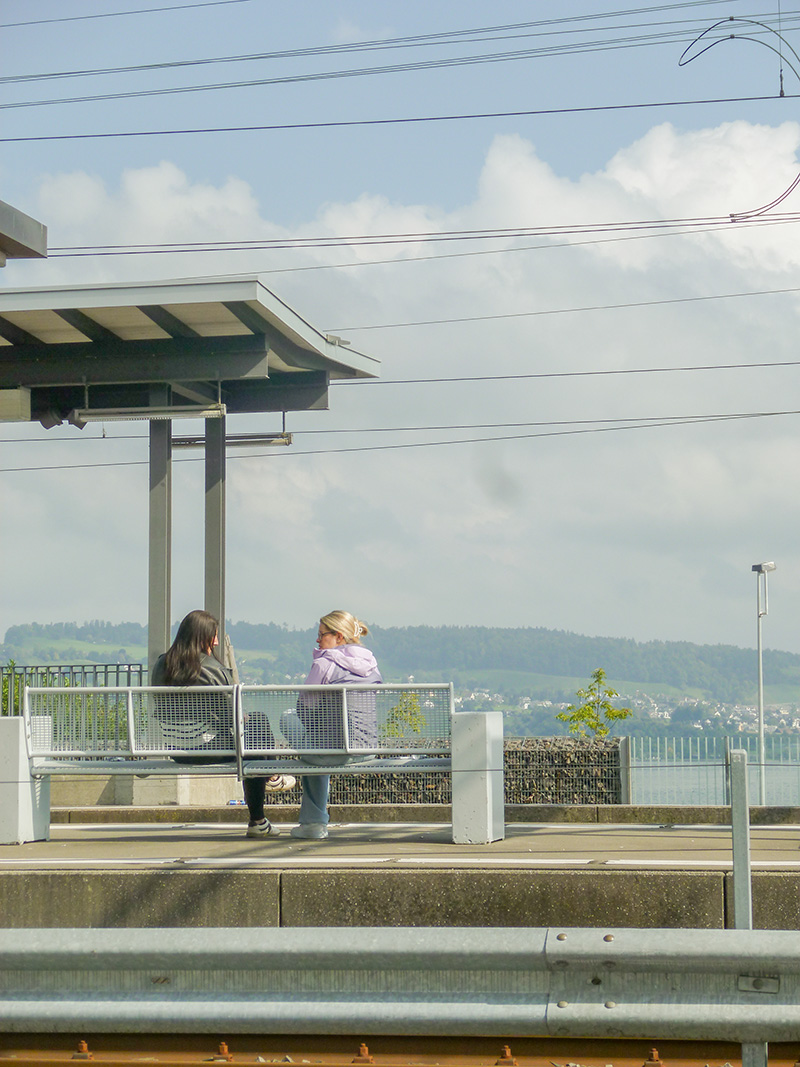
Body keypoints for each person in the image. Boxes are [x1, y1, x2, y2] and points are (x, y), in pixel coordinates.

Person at [151, 609, 295, 839]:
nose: (217, 641)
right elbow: (233, 719)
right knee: (256, 726)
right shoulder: (212, 668)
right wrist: (243, 718)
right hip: (205, 750)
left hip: (175, 748)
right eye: (214, 635)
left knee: (254, 736)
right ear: (202, 637)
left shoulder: (161, 664)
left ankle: (271, 777)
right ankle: (264, 799)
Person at [281, 611, 382, 840]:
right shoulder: (372, 665)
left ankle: (313, 824)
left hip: (330, 750)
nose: (318, 640)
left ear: (338, 637)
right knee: (317, 747)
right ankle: (312, 823)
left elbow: (304, 709)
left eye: (321, 635)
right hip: (365, 750)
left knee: (290, 720)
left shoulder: (325, 663)